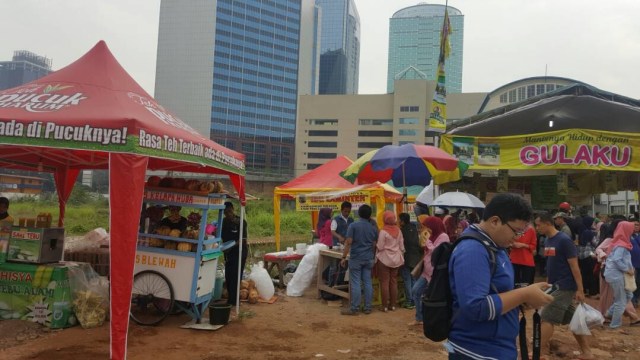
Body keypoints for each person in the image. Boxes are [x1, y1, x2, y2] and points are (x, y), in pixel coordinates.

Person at [447, 193, 553, 359]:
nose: (516, 237)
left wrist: (522, 300)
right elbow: (476, 307)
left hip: (496, 345)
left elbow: (497, 291)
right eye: (516, 231)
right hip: (477, 350)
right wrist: (524, 294)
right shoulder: (473, 250)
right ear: (495, 221)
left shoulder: (496, 246)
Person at [535, 212, 593, 359]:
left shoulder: (564, 240)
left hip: (565, 285)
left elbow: (575, 266)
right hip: (555, 285)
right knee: (575, 319)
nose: (536, 228)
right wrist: (547, 284)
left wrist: (580, 289)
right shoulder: (548, 240)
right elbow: (551, 265)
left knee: (547, 316)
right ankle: (587, 352)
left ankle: (538, 352)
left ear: (548, 223)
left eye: (538, 224)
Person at [410, 216, 449, 326]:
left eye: (428, 227)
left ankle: (433, 320)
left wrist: (427, 241)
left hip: (435, 273)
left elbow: (437, 251)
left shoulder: (443, 236)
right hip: (426, 271)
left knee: (433, 297)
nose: (427, 229)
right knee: (416, 291)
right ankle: (419, 318)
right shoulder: (431, 235)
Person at [340, 204, 378, 315]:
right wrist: (372, 256)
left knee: (356, 283)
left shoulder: (353, 225)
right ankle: (367, 307)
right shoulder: (373, 228)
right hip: (368, 258)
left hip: (356, 258)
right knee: (367, 282)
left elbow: (348, 242)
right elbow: (374, 245)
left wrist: (343, 257)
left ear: (359, 213)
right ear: (369, 215)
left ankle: (354, 308)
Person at [603, 221, 637, 328]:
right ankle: (615, 325)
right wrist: (627, 269)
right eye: (631, 228)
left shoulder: (618, 242)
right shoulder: (621, 245)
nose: (632, 230)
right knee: (621, 301)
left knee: (628, 295)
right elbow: (617, 260)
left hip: (614, 274)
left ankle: (609, 313)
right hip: (615, 275)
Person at [375, 211, 405, 312]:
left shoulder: (383, 231)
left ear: (385, 219)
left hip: (384, 259)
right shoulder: (399, 231)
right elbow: (401, 246)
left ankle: (384, 306)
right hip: (396, 259)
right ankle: (393, 305)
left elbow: (380, 246)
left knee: (384, 282)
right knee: (393, 282)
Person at [222, 201, 248, 307]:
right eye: (225, 212)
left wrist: (230, 247)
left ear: (233, 209)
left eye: (229, 211)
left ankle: (234, 300)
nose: (228, 214)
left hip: (239, 252)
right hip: (228, 253)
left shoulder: (241, 222)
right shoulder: (224, 222)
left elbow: (243, 240)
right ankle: (230, 299)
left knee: (236, 275)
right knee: (228, 275)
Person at [398, 212, 420, 309]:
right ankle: (415, 300)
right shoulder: (414, 228)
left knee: (407, 279)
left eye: (399, 220)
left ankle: (409, 301)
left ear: (402, 221)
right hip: (416, 257)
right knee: (413, 279)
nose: (398, 222)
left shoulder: (401, 231)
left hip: (406, 258)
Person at [509, 223, 537, 287]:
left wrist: (523, 245)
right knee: (514, 284)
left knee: (525, 285)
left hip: (526, 261)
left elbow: (533, 246)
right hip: (514, 260)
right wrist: (512, 244)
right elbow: (507, 241)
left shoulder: (531, 230)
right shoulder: (513, 228)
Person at [577, 216, 599, 296]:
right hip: (590, 255)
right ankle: (592, 292)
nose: (594, 224)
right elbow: (595, 243)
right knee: (591, 274)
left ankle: (585, 290)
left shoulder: (581, 231)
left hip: (581, 256)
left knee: (584, 273)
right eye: (593, 222)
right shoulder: (590, 232)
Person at [631, 222, 640, 307]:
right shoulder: (629, 236)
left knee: (638, 281)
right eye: (634, 225)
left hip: (638, 263)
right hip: (632, 263)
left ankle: (636, 298)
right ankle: (633, 299)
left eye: (637, 225)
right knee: (633, 282)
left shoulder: (637, 236)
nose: (636, 226)